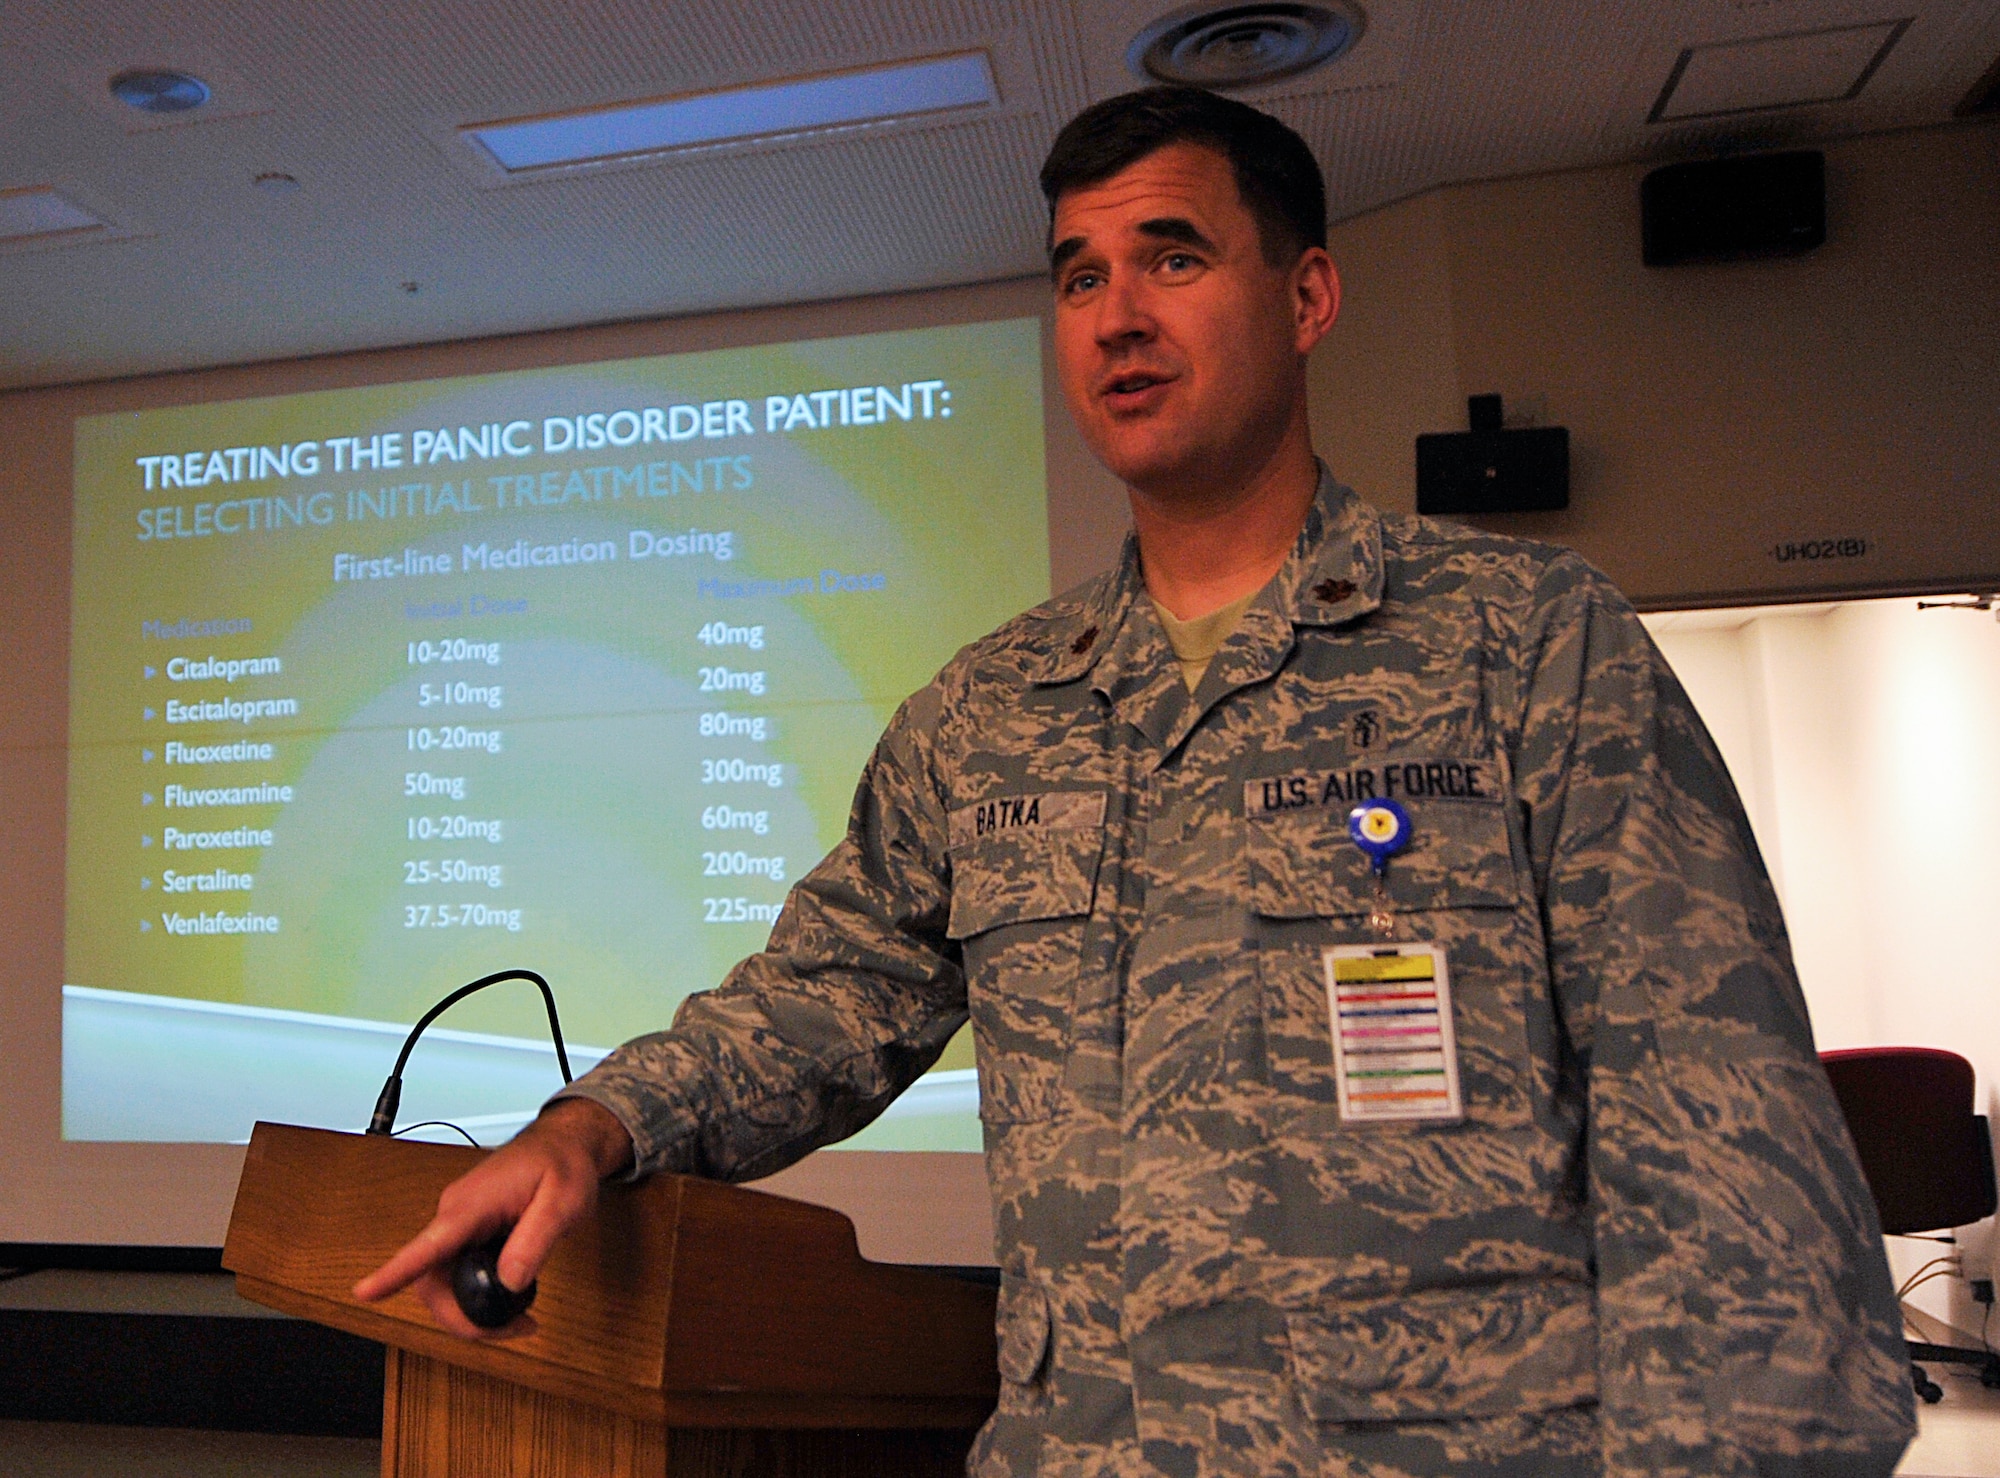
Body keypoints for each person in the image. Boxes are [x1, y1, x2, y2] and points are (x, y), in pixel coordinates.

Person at [359, 87, 1916, 1476]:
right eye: (1079, 275)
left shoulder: (1524, 646)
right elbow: (821, 999)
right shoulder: (985, 714)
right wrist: (594, 1124)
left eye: (1173, 258)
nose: (1114, 316)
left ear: (1306, 294)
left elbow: (1722, 1138)